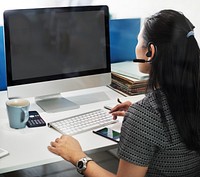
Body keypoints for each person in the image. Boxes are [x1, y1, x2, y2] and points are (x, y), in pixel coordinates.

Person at [48, 9, 200, 177]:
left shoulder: (145, 115)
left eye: (138, 41)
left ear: (151, 52)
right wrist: (140, 113)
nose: (135, 47)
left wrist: (77, 157)